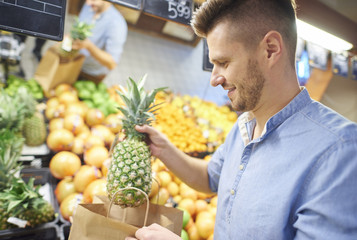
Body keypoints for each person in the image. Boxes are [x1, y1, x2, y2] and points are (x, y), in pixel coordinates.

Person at [126, 0, 357, 239]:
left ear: (270, 49)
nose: (214, 79)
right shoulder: (244, 126)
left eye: (223, 63)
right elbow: (210, 178)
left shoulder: (340, 152)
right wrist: (162, 149)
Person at [72, 0, 127, 83]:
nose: (88, 3)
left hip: (91, 74)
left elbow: (112, 63)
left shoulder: (117, 24)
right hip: (74, 63)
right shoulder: (89, 6)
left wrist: (89, 46)